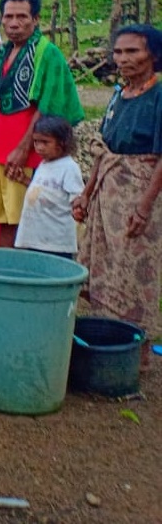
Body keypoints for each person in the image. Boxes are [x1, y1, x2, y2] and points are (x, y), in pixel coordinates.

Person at [0, 0, 83, 248]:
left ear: (36, 19)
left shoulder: (46, 53)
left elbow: (47, 105)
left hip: (23, 155)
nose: (14, 23)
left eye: (22, 17)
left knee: (24, 220)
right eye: (8, 17)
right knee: (2, 220)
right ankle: (7, 275)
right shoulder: (0, 53)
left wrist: (22, 148)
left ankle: (24, 275)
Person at [73, 24, 162, 342]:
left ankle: (131, 346)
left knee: (131, 270)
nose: (123, 58)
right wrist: (85, 193)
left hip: (138, 193)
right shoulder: (119, 95)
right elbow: (103, 150)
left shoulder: (158, 96)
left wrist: (144, 205)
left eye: (133, 51)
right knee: (104, 267)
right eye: (119, 52)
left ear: (153, 54)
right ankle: (103, 336)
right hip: (107, 192)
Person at [14, 116, 83, 259]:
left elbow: (77, 198)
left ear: (62, 143)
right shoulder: (44, 164)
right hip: (35, 237)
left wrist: (78, 210)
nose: (39, 147)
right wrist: (25, 181)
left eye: (45, 142)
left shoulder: (69, 168)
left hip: (56, 241)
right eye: (36, 142)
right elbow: (46, 189)